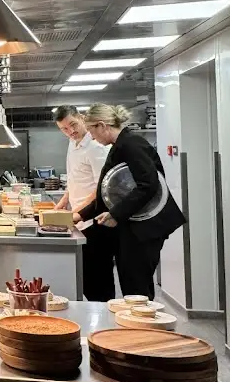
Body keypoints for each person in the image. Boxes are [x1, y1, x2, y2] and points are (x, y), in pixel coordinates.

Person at [75, 104, 186, 300]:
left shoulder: (131, 145)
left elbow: (148, 185)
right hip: (132, 223)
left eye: (92, 131)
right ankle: (105, 308)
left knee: (136, 287)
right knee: (92, 251)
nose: (92, 137)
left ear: (102, 125)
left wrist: (115, 214)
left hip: (145, 227)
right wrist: (80, 215)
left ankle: (141, 327)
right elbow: (112, 193)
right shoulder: (120, 145)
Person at [53, 105, 114, 301]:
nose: (70, 131)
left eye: (73, 124)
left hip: (96, 221)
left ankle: (105, 323)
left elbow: (101, 188)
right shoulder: (74, 143)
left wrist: (77, 213)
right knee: (86, 277)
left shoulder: (96, 147)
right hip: (80, 221)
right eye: (64, 129)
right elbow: (75, 178)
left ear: (81, 117)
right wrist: (62, 204)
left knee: (98, 279)